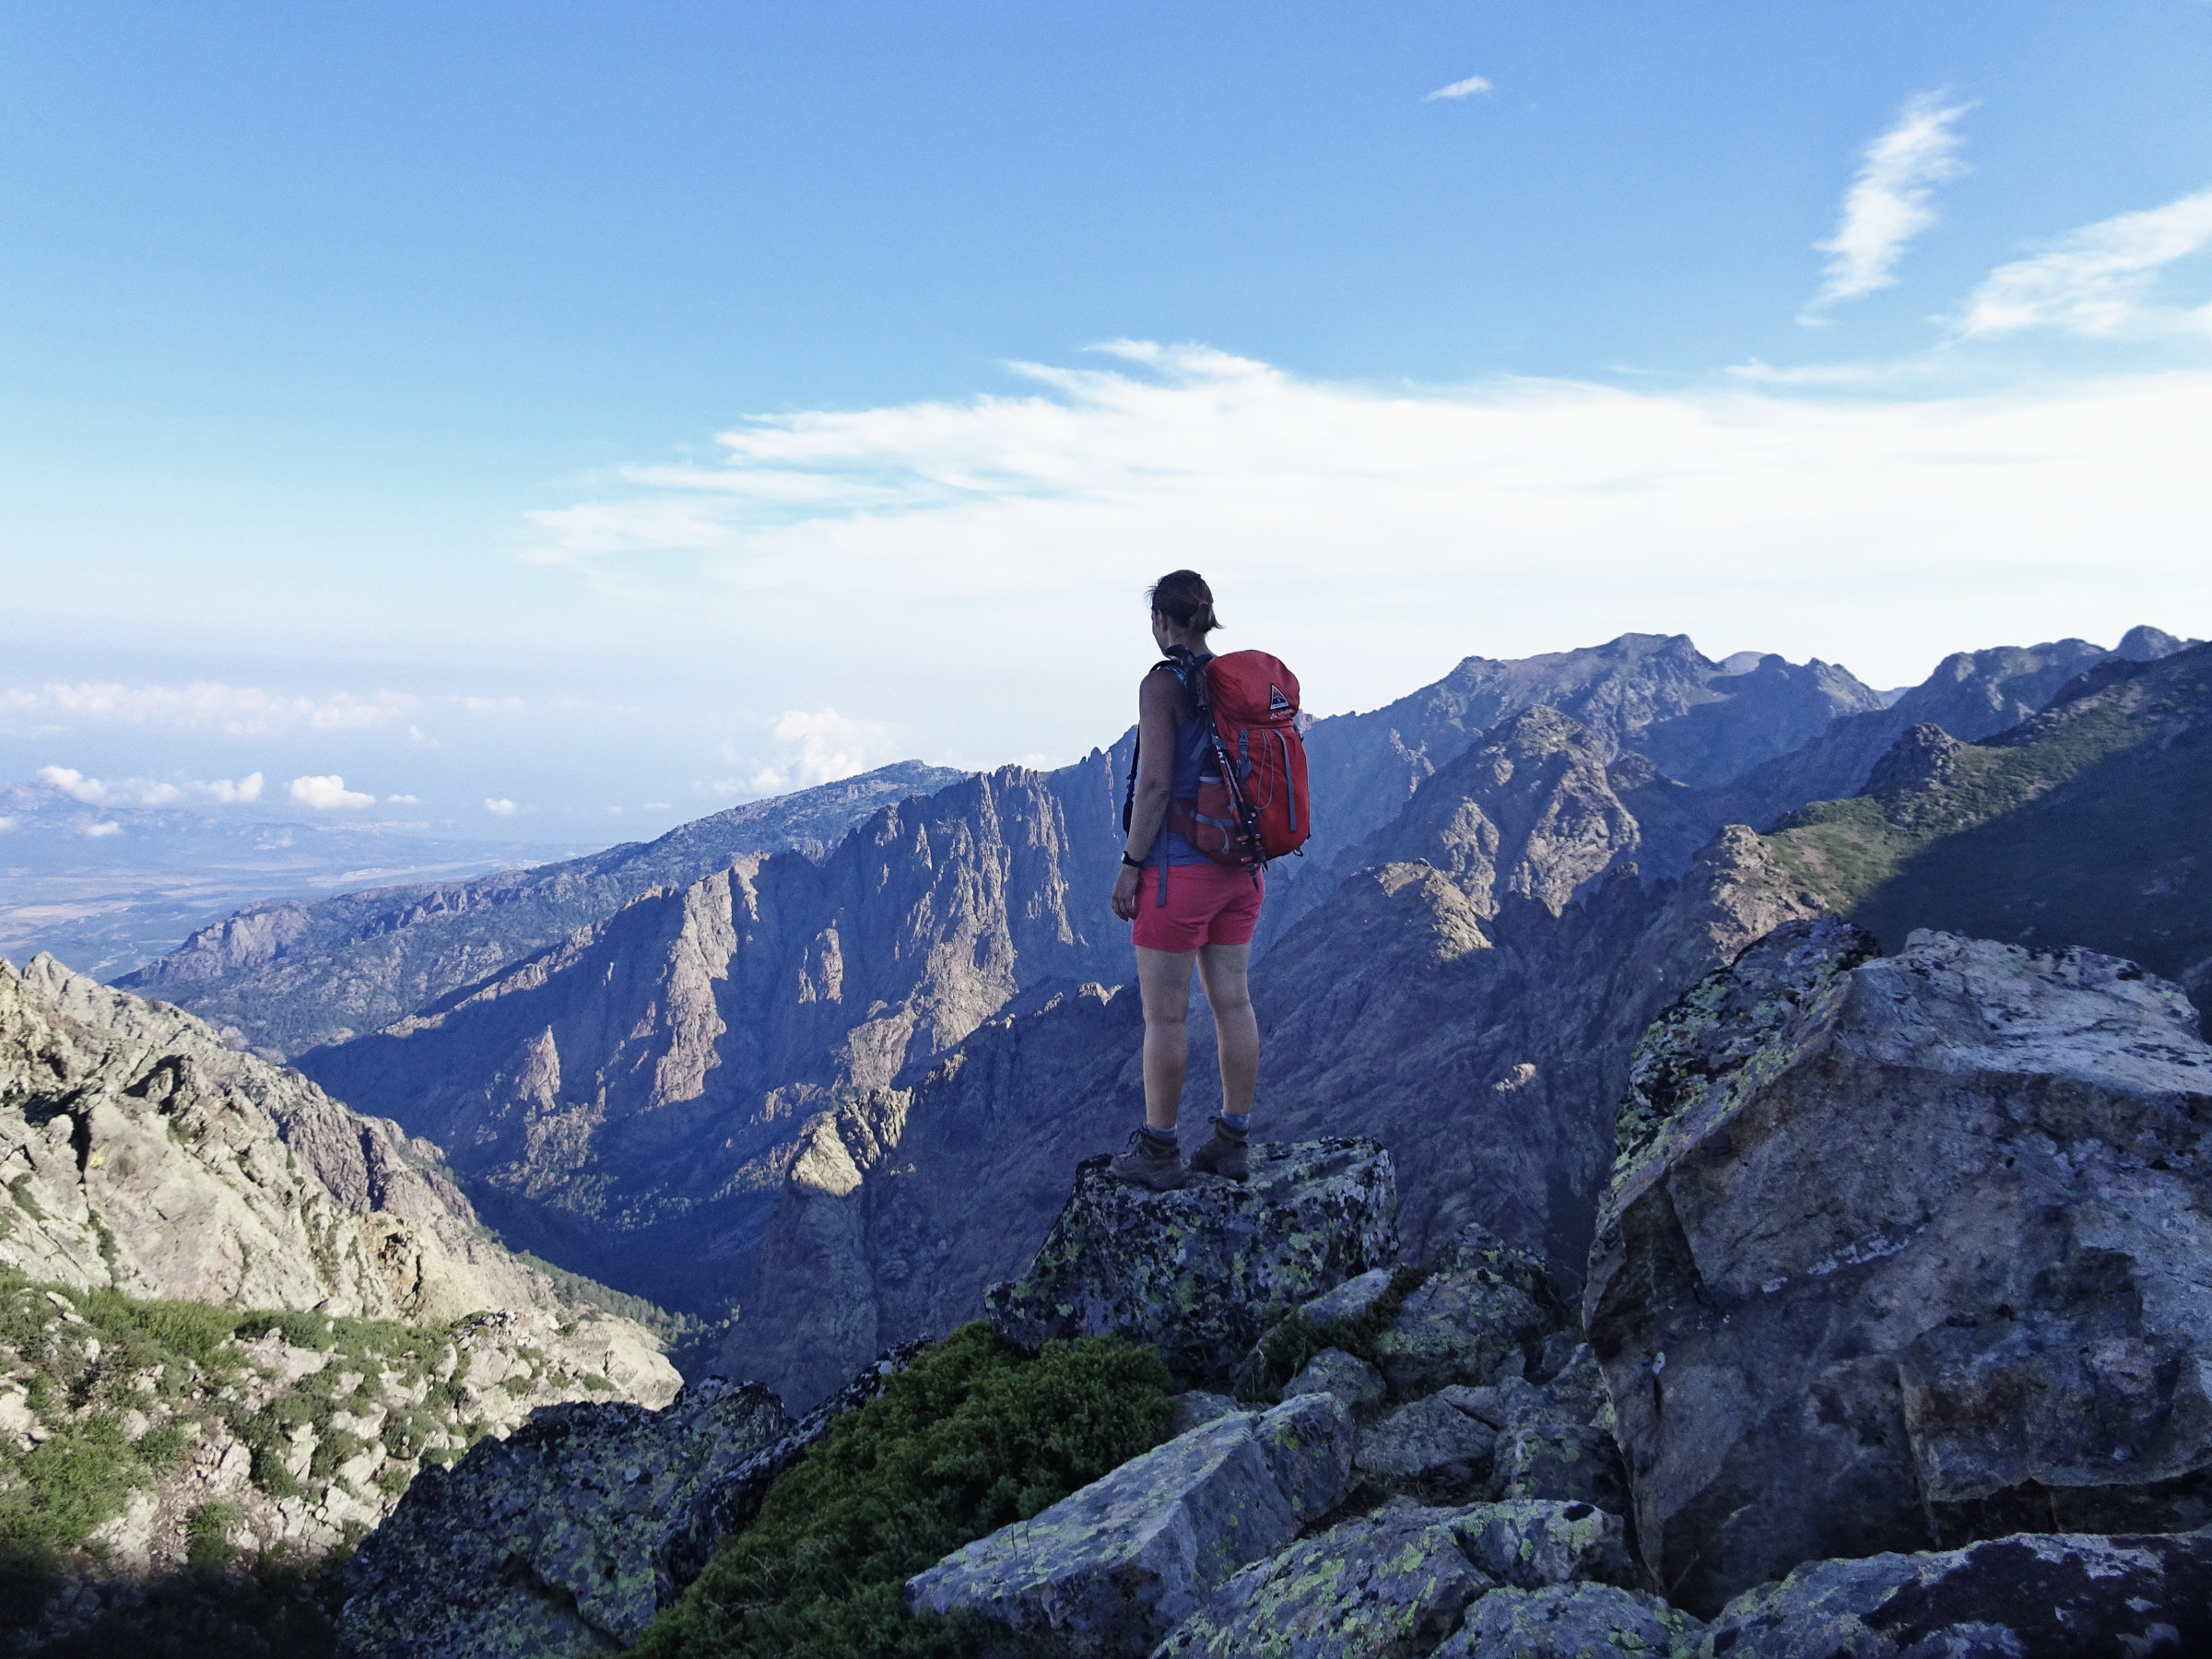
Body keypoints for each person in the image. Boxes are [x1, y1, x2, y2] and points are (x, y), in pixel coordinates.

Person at [1107, 570, 1262, 1189]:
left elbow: (1155, 785)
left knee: (1166, 1018)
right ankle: (1232, 1140)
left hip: (1179, 874)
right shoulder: (1236, 682)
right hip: (1242, 869)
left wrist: (1132, 865)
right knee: (1234, 1003)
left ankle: (1159, 1151)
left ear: (1163, 622)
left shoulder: (1162, 684)